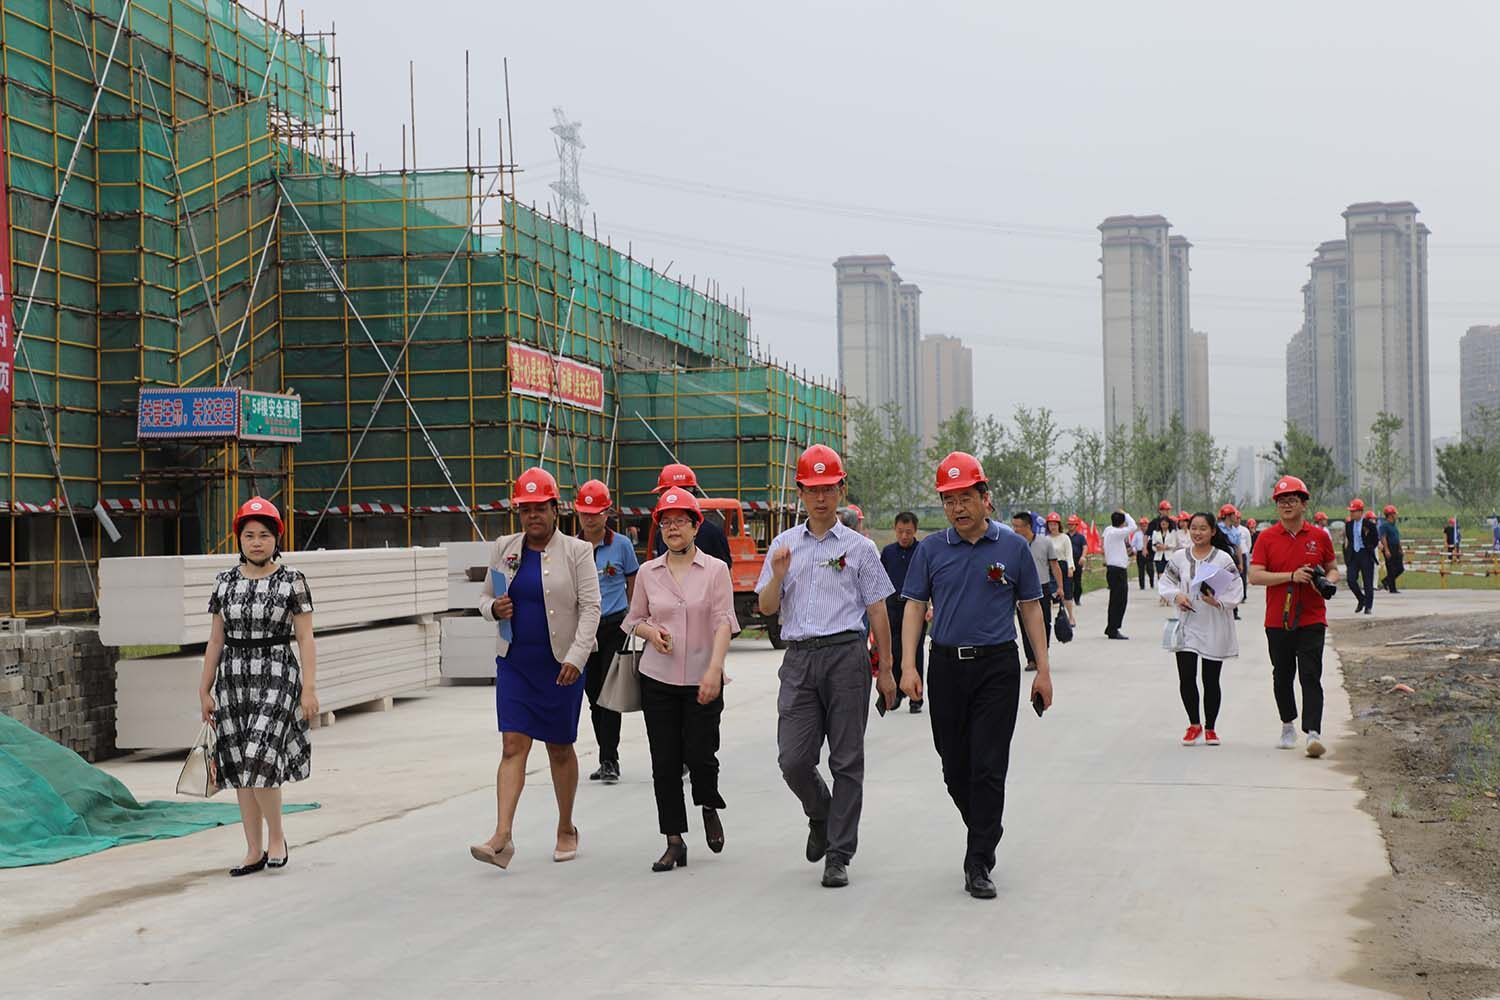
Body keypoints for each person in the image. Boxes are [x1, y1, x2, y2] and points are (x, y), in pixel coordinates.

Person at [897, 451, 1053, 900]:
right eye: (949, 500)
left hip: (997, 667)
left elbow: (1030, 608)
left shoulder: (1012, 547)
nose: (958, 508)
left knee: (988, 765)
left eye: (966, 497)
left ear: (986, 499)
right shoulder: (930, 550)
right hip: (946, 666)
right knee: (953, 767)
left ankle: (978, 859)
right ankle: (987, 824)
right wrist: (909, 665)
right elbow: (912, 607)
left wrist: (1043, 670)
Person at [756, 444, 895, 889]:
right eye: (812, 489)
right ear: (800, 492)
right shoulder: (783, 546)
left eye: (828, 488)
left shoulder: (860, 548)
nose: (820, 497)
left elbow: (878, 611)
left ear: (841, 489)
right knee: (793, 759)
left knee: (847, 759)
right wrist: (777, 576)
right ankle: (821, 812)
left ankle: (839, 853)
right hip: (799, 658)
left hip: (847, 658)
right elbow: (765, 607)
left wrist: (886, 670)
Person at [471, 467, 601, 870]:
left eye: (539, 509)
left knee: (560, 747)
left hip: (560, 667)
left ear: (554, 509)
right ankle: (502, 836)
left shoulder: (577, 552)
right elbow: (485, 595)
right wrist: (493, 608)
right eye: (525, 510)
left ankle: (566, 826)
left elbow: (591, 608)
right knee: (513, 746)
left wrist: (576, 658)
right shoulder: (504, 548)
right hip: (515, 663)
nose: (533, 517)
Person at [199, 497, 317, 877]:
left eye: (264, 535)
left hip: (277, 673)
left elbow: (306, 638)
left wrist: (309, 688)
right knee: (238, 765)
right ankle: (253, 850)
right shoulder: (225, 582)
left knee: (260, 757)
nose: (256, 542)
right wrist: (205, 689)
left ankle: (277, 838)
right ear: (239, 539)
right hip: (233, 678)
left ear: (276, 539)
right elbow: (215, 640)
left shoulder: (292, 581)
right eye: (249, 535)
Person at [622, 488, 737, 873]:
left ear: (695, 526)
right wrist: (651, 633)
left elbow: (724, 622)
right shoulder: (647, 573)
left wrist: (714, 670)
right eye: (666, 522)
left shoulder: (716, 571)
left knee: (702, 755)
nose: (673, 528)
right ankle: (673, 840)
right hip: (659, 679)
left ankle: (708, 805)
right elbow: (633, 619)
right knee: (665, 762)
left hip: (705, 677)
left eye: (680, 521)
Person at [1248, 475, 1339, 759]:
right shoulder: (1266, 537)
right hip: (1278, 618)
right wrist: (1290, 576)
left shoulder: (1319, 536)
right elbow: (1255, 576)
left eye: (1292, 500)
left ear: (1303, 504)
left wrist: (1330, 580)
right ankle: (1288, 725)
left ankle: (1313, 732)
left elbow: (1332, 567)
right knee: (1282, 675)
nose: (1287, 505)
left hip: (1312, 616)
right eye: (1282, 501)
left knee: (1311, 674)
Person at [574, 480, 639, 785]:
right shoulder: (571, 548)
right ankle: (605, 754)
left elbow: (633, 582)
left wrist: (633, 619)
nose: (590, 518)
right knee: (592, 696)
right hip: (584, 631)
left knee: (610, 696)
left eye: (596, 513)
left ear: (607, 512)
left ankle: (609, 759)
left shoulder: (622, 546)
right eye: (585, 512)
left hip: (614, 627)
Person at [1158, 512, 1241, 746]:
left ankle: (1211, 727)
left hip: (1214, 623)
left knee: (1211, 679)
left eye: (1203, 528)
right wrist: (1177, 596)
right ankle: (1194, 724)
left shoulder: (1223, 559)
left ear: (1213, 531)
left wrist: (1218, 602)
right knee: (1186, 676)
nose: (1197, 532)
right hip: (1187, 623)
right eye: (1194, 528)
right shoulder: (1179, 557)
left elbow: (1236, 588)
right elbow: (1166, 583)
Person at [881, 511, 927, 714]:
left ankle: (916, 696)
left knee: (914, 650)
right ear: (895, 530)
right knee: (895, 649)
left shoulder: (922, 551)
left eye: (908, 532)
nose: (904, 536)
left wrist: (930, 606)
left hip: (915, 606)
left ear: (915, 531)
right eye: (900, 532)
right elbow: (880, 580)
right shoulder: (888, 552)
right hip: (892, 606)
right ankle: (898, 691)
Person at [648, 463, 733, 569]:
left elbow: (724, 574)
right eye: (666, 522)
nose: (672, 528)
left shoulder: (713, 534)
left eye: (663, 495)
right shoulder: (661, 535)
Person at [1011, 511, 1060, 670]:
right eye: (1014, 526)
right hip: (1022, 590)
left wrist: (1060, 587)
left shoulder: (1045, 542)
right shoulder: (1014, 544)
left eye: (1018, 526)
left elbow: (1054, 565)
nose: (1015, 529)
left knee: (1044, 623)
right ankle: (1031, 659)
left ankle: (1042, 656)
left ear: (1028, 526)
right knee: (1025, 624)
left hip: (1042, 588)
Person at [1101, 507, 1137, 639]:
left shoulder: (1108, 530)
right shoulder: (1118, 532)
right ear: (1122, 523)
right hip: (1118, 571)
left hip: (1112, 569)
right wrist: (1126, 513)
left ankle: (1111, 626)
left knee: (1114, 600)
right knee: (1120, 601)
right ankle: (1113, 629)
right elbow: (1133, 526)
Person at [1343, 498, 1377, 615]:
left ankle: (1368, 606)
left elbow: (1375, 540)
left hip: (1365, 554)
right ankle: (1361, 599)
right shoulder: (1348, 525)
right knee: (1351, 580)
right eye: (1350, 511)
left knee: (1368, 582)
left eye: (1354, 511)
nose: (1351, 513)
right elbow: (1350, 539)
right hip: (1354, 555)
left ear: (1361, 512)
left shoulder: (1369, 525)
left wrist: (1369, 546)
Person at [1045, 513, 1077, 629]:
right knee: (1049, 593)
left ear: (1059, 525)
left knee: (1067, 593)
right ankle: (1046, 618)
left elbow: (1069, 554)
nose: (1052, 527)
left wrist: (1070, 567)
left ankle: (1071, 617)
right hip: (1050, 568)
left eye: (1054, 524)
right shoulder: (1046, 539)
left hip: (1063, 565)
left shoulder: (1064, 538)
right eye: (1050, 524)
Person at [1067, 515, 1088, 605]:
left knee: (1077, 581)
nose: (1071, 526)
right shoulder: (1065, 536)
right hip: (1068, 561)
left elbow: (1085, 547)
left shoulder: (1080, 537)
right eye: (1069, 524)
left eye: (1073, 524)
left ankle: (1077, 598)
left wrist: (1083, 556)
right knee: (1068, 581)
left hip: (1077, 561)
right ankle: (1068, 598)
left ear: (1076, 525)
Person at [1133, 516, 1155, 590]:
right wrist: (1134, 550)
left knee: (1150, 569)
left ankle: (1152, 583)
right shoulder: (1137, 534)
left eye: (1145, 525)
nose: (1143, 527)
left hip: (1149, 552)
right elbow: (1133, 544)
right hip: (1140, 553)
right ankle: (1142, 586)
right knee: (1141, 570)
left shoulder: (1151, 533)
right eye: (1142, 525)